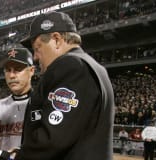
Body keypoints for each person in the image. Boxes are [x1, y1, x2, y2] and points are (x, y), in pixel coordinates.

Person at [15, 11, 116, 159]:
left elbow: (51, 140)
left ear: (56, 40)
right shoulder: (94, 67)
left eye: (37, 48)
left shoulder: (70, 65)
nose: (35, 57)